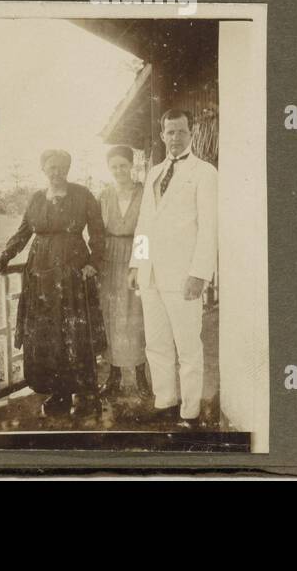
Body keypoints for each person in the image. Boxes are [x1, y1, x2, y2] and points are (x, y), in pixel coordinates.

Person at [0, 150, 106, 418]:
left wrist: (93, 263)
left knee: (76, 333)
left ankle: (87, 394)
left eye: (61, 166)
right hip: (41, 278)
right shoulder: (37, 198)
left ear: (68, 168)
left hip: (72, 276)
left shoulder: (82, 194)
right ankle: (60, 393)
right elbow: (23, 232)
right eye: (51, 167)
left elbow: (98, 232)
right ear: (43, 169)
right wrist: (3, 258)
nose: (56, 171)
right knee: (50, 336)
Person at [129, 110, 217, 427]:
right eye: (170, 132)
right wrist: (135, 263)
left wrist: (199, 274)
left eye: (181, 131)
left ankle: (190, 413)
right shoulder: (154, 173)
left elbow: (209, 228)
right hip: (150, 273)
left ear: (191, 133)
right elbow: (143, 222)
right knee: (157, 342)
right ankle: (165, 400)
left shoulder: (204, 173)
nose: (176, 137)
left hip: (183, 276)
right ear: (162, 134)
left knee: (188, 346)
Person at [97, 146, 148, 397]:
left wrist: (138, 264)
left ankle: (141, 376)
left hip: (136, 254)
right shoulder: (105, 195)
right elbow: (96, 231)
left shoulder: (144, 192)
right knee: (113, 316)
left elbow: (147, 230)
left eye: (123, 165)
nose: (119, 170)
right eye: (114, 166)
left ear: (132, 165)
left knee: (137, 316)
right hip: (110, 259)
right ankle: (114, 376)